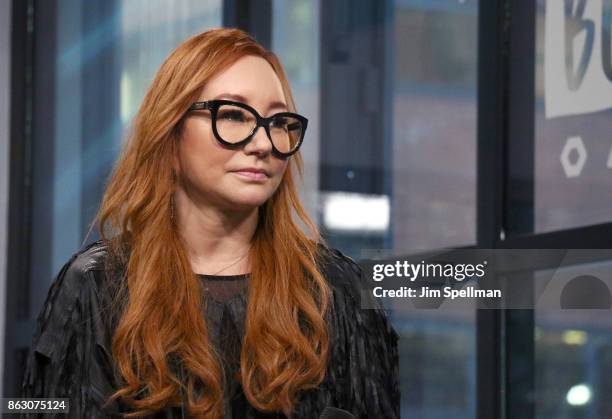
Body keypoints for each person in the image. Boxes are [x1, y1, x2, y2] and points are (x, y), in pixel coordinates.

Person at [20, 27, 399, 419]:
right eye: (233, 115)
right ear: (171, 132)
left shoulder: (338, 292)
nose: (264, 143)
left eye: (279, 122)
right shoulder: (96, 286)